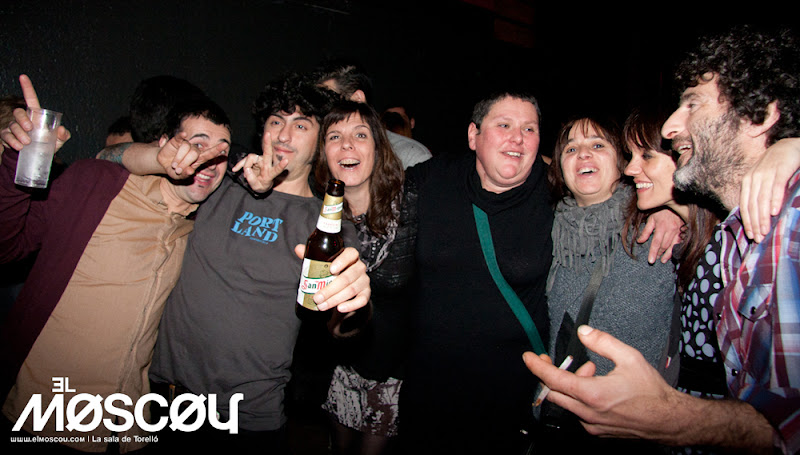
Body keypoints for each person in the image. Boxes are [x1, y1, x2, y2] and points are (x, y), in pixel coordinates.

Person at [523, 25, 800, 454]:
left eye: (692, 104)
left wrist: (790, 147)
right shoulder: (544, 223)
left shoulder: (661, 223)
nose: (672, 126)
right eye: (571, 148)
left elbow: (783, 419)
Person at [100, 72, 371, 454]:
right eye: (275, 121)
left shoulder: (326, 224)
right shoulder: (217, 183)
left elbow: (341, 326)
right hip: (163, 401)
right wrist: (164, 157)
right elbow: (108, 158)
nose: (283, 135)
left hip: (244, 419)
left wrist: (353, 305)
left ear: (319, 141)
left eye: (300, 125)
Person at [0, 74, 232, 453]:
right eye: (197, 143)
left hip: (127, 432)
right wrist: (19, 159)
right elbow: (7, 247)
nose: (209, 159)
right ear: (162, 144)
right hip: (44, 418)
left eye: (221, 150)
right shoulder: (96, 185)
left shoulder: (199, 228)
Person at [539, 116, 678, 452]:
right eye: (571, 149)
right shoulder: (546, 230)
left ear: (622, 162)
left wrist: (675, 210)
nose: (583, 154)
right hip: (564, 419)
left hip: (636, 426)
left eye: (598, 145)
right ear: (560, 167)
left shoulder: (656, 225)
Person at [313, 100, 416, 455]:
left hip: (394, 371)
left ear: (377, 148)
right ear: (323, 153)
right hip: (342, 366)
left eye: (360, 135)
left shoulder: (412, 203)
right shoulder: (316, 217)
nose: (347, 145)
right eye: (334, 136)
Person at [313, 61, 433, 169]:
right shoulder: (319, 153)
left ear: (357, 100)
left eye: (328, 101)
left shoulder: (410, 157)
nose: (320, 113)